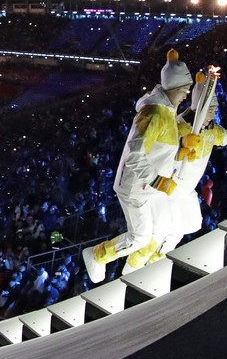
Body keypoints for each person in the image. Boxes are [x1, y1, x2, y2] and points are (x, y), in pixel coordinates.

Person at [82, 49, 193, 283]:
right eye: (185, 90)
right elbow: (135, 156)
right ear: (173, 88)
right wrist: (160, 181)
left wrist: (183, 142)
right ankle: (96, 255)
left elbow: (163, 143)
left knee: (161, 230)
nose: (186, 94)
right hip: (135, 188)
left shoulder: (166, 109)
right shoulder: (154, 112)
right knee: (141, 237)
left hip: (149, 188)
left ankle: (140, 272)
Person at [147, 72, 227, 263]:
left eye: (214, 109)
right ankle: (150, 258)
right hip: (170, 187)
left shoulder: (211, 129)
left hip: (187, 190)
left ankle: (158, 256)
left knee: (193, 224)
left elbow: (225, 136)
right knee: (169, 229)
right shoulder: (179, 127)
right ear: (198, 107)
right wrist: (180, 146)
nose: (213, 113)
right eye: (210, 109)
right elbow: (160, 150)